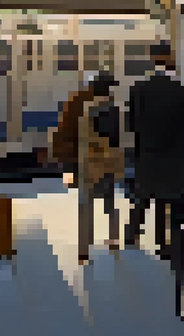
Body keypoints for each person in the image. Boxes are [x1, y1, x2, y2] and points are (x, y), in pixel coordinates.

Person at [125, 44, 184, 268]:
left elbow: (132, 124)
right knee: (170, 202)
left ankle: (131, 238)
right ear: (169, 59)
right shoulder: (181, 91)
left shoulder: (139, 89)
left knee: (143, 198)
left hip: (148, 155)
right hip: (175, 158)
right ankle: (166, 246)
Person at [77, 73, 125, 265]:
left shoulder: (88, 110)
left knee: (86, 206)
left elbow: (84, 138)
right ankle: (113, 240)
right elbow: (119, 137)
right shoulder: (115, 110)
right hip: (110, 162)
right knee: (110, 202)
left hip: (91, 163)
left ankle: (84, 251)